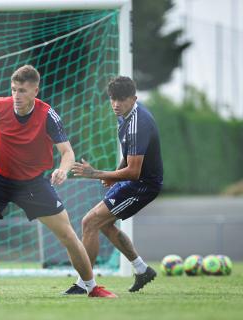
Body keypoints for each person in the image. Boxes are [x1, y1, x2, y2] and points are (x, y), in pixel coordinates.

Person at [0, 65, 117, 298]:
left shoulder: (48, 115)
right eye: (13, 90)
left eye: (22, 90)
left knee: (69, 236)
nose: (16, 96)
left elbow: (68, 153)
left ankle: (92, 287)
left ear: (35, 91)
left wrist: (62, 170)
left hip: (33, 184)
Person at [66, 76, 162, 294]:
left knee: (89, 222)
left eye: (121, 99)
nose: (116, 104)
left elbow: (135, 171)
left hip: (143, 185)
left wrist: (96, 173)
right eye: (113, 99)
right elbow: (129, 157)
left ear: (134, 98)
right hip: (134, 180)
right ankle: (142, 269)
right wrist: (112, 176)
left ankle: (84, 284)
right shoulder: (124, 116)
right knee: (104, 224)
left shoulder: (139, 123)